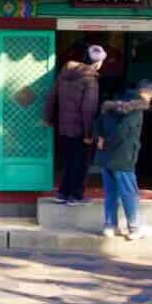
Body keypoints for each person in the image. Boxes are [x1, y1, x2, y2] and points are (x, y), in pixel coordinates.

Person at [95, 80, 152, 239]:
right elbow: (123, 130)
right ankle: (135, 228)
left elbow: (98, 123)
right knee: (129, 193)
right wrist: (108, 143)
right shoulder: (136, 109)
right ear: (144, 92)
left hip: (105, 157)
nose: (150, 100)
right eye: (151, 96)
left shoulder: (111, 105)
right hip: (123, 157)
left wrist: (101, 140)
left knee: (111, 194)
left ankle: (110, 226)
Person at [48, 45, 104, 204]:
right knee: (81, 162)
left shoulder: (64, 74)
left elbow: (53, 96)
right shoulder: (90, 79)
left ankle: (63, 193)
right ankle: (76, 196)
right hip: (81, 129)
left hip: (65, 126)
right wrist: (88, 134)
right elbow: (88, 109)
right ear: (98, 63)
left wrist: (49, 118)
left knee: (69, 159)